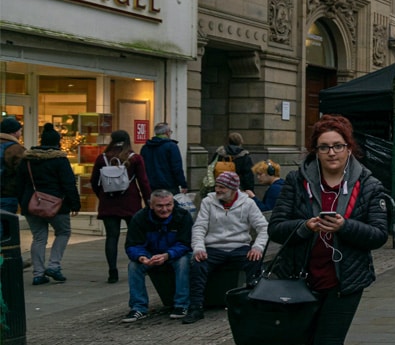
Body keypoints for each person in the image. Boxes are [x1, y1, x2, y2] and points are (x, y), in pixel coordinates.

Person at [268, 114, 388, 345]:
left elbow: (379, 234)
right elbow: (276, 227)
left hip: (345, 281)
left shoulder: (368, 185)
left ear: (349, 148)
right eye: (324, 147)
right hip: (302, 279)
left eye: (338, 145)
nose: (331, 152)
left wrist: (345, 227)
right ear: (315, 151)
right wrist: (304, 226)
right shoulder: (297, 181)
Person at [184, 170, 267, 324]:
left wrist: (257, 247)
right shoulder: (208, 202)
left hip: (239, 246)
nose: (218, 190)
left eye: (222, 187)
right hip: (214, 247)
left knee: (254, 261)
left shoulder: (248, 203)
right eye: (217, 186)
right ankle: (196, 307)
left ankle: (253, 305)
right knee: (198, 264)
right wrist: (199, 248)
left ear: (233, 189)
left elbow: (263, 227)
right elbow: (199, 227)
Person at [18, 124, 80, 285]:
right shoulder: (59, 160)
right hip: (57, 204)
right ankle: (54, 266)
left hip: (32, 203)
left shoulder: (28, 160)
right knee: (63, 232)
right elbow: (69, 183)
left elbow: (20, 184)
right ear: (57, 142)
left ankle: (38, 273)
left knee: (38, 238)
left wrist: (23, 203)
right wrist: (75, 204)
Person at [90, 129, 152, 283]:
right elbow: (143, 182)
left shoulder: (102, 158)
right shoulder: (134, 158)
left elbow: (93, 181)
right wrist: (148, 200)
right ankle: (138, 264)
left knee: (112, 237)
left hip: (108, 202)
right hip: (130, 202)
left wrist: (102, 195)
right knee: (134, 236)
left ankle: (112, 271)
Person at [123, 189, 192, 322]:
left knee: (183, 262)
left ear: (173, 204)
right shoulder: (140, 218)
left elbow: (185, 243)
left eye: (168, 205)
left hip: (174, 254)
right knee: (134, 266)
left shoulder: (182, 216)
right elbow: (132, 244)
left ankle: (181, 304)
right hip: (150, 254)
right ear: (151, 205)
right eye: (160, 206)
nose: (165, 209)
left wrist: (168, 255)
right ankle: (138, 307)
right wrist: (142, 257)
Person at [142, 122, 188, 194]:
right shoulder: (171, 146)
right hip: (169, 186)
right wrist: (183, 184)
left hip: (151, 187)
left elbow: (143, 168)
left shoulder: (145, 148)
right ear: (167, 132)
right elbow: (177, 168)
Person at [0, 116, 26, 235]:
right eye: (20, 130)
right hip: (7, 195)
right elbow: (23, 173)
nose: (20, 133)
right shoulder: (16, 149)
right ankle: (4, 253)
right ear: (15, 132)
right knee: (6, 230)